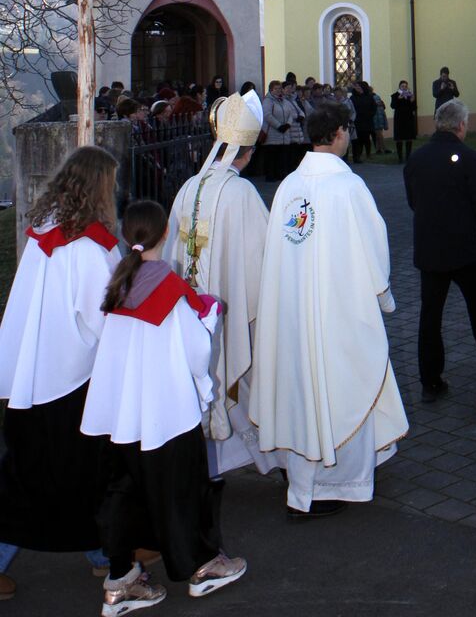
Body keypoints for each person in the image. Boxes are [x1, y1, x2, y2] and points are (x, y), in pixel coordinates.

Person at [82, 201, 246, 614]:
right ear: (165, 234)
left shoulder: (118, 283)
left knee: (121, 493)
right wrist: (208, 321)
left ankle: (120, 582)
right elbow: (196, 353)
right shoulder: (169, 287)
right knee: (181, 491)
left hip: (120, 412)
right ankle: (203, 567)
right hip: (165, 409)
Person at [250, 102, 408, 516]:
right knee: (341, 384)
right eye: (347, 130)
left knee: (304, 390)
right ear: (338, 133)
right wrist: (383, 296)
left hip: (295, 313)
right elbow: (373, 244)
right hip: (339, 310)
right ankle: (329, 485)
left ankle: (306, 480)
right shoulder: (348, 186)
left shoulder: (289, 185)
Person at [0, 147, 121, 593]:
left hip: (33, 373)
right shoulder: (88, 246)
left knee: (52, 473)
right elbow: (103, 315)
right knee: (51, 479)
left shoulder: (46, 228)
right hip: (70, 381)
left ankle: (105, 552)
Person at [165, 89, 283, 477]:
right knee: (243, 374)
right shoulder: (241, 191)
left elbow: (172, 247)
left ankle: (212, 464)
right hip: (229, 309)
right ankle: (278, 461)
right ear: (247, 152)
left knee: (209, 379)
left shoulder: (188, 186)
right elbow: (264, 256)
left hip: (190, 309)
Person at [404, 100, 476, 402]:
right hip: (463, 247)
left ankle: (430, 380)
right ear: (460, 125)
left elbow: (413, 200)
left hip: (430, 248)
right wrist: (467, 224)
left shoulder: (417, 158)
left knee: (430, 315)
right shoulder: (468, 157)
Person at [261, 80, 291, 182]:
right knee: (272, 157)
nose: (278, 90)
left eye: (279, 88)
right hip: (272, 134)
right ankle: (271, 175)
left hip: (283, 134)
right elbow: (267, 115)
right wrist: (278, 126)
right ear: (271, 90)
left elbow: (290, 113)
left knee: (281, 156)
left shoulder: (284, 101)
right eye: (276, 89)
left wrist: (288, 124)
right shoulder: (268, 101)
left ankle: (280, 174)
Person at [390, 80, 418, 162]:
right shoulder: (395, 95)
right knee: (399, 138)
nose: (404, 88)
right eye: (402, 86)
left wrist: (412, 101)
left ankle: (408, 157)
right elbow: (393, 106)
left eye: (405, 86)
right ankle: (400, 158)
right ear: (399, 87)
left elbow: (414, 108)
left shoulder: (410, 95)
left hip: (408, 119)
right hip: (399, 119)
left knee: (408, 138)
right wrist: (398, 99)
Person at [350, 80, 376, 163]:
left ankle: (368, 153)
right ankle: (357, 155)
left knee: (366, 138)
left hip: (367, 120)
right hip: (357, 121)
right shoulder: (353, 98)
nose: (357, 88)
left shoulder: (369, 96)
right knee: (357, 139)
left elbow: (374, 107)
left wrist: (370, 114)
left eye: (359, 86)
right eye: (356, 87)